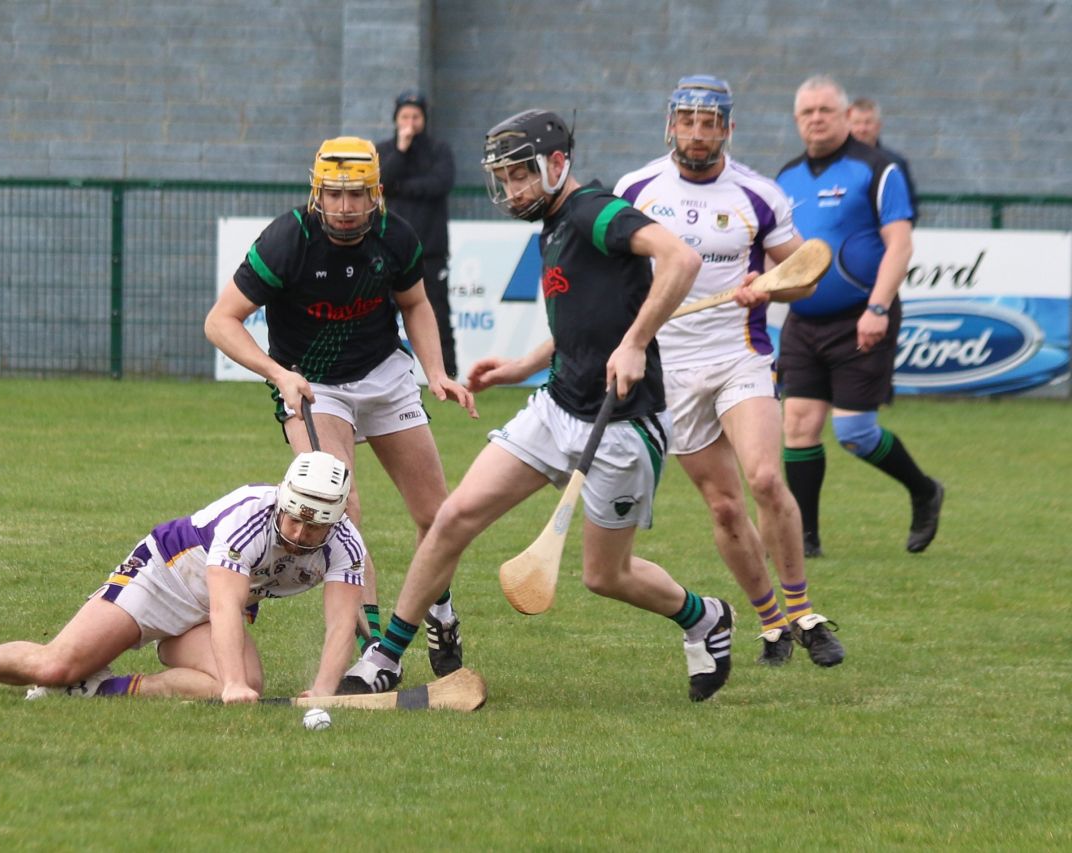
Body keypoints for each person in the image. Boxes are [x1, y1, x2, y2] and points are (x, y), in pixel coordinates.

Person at [342, 109, 737, 702]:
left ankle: (704, 618)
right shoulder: (550, 225)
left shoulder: (592, 211)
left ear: (558, 165)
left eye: (522, 175)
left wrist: (634, 344)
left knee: (606, 576)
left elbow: (680, 259)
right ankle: (387, 656)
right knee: (452, 519)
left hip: (624, 425)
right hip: (556, 409)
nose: (512, 190)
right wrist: (524, 366)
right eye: (504, 179)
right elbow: (584, 318)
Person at [204, 136, 477, 679]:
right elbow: (220, 321)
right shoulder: (289, 239)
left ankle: (440, 612)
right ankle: (379, 649)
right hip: (314, 386)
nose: (346, 208)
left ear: (376, 194)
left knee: (437, 515)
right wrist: (280, 374)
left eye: (357, 196)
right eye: (334, 195)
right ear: (317, 193)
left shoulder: (394, 235)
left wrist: (437, 371)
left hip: (383, 375)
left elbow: (415, 303)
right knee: (340, 500)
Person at [613, 75, 843, 667]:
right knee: (722, 505)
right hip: (676, 369)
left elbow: (807, 275)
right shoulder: (636, 190)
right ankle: (770, 623)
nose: (697, 133)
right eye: (687, 121)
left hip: (741, 354)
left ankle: (803, 610)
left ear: (728, 128)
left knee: (766, 478)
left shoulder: (758, 195)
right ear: (671, 125)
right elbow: (619, 274)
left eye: (710, 123)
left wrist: (764, 285)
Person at [0, 452, 366, 703]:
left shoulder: (345, 546)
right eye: (294, 517)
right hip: (163, 579)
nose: (301, 532)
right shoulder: (249, 518)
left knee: (238, 684)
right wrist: (234, 683)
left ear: (337, 518)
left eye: (315, 523)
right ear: (282, 500)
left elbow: (341, 623)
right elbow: (223, 605)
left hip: (212, 610)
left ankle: (100, 690)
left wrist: (323, 690)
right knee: (54, 667)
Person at [776, 75, 944, 558]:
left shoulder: (878, 168)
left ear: (845, 115)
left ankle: (923, 490)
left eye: (825, 110)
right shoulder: (785, 177)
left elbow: (900, 244)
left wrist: (877, 307)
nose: (816, 119)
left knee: (854, 432)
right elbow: (777, 253)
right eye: (806, 112)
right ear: (796, 120)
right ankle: (804, 540)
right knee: (799, 427)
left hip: (861, 318)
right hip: (803, 323)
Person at [375, 89, 459, 377]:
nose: (410, 122)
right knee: (380, 315)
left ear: (424, 119)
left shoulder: (439, 151)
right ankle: (376, 370)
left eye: (416, 116)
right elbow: (381, 182)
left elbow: (440, 184)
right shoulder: (385, 150)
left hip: (430, 251)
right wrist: (400, 149)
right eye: (405, 116)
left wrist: (402, 188)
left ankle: (446, 374)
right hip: (388, 250)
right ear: (396, 119)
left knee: (437, 313)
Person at [849, 97, 918, 220]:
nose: (862, 129)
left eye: (868, 122)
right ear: (847, 125)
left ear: (878, 126)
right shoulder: (835, 162)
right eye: (856, 123)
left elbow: (910, 208)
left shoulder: (895, 163)